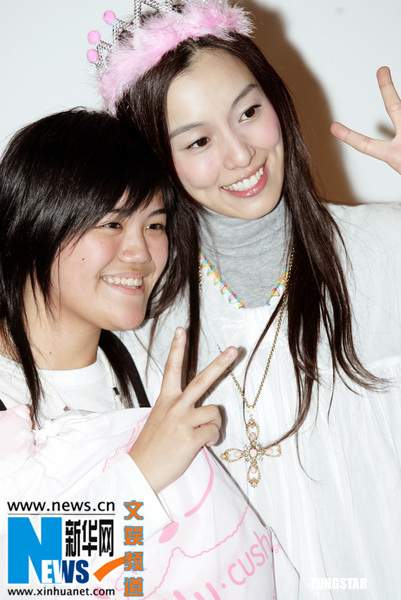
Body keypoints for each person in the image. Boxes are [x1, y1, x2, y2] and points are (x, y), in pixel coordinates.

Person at [88, 0, 401, 597]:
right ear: (159, 162)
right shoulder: (132, 316)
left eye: (249, 112)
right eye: (198, 141)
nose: (240, 155)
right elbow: (45, 566)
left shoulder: (388, 248)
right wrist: (138, 478)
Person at [0, 109, 300, 598]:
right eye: (112, 223)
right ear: (34, 223)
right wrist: (143, 471)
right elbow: (18, 570)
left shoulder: (150, 362)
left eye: (155, 224)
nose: (141, 252)